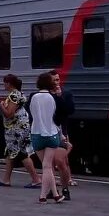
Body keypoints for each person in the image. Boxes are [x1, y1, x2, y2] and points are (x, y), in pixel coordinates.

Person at [0, 74, 42, 188]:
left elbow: (9, 114)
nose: (3, 85)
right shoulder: (19, 94)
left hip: (15, 129)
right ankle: (6, 179)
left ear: (9, 83)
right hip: (20, 127)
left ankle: (36, 179)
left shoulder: (13, 96)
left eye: (4, 83)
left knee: (22, 154)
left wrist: (1, 106)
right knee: (10, 152)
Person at [29, 73, 65, 203]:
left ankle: (48, 195)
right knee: (48, 166)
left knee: (46, 166)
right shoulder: (52, 98)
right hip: (51, 133)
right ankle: (51, 195)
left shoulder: (34, 97)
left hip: (36, 134)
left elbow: (31, 114)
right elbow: (58, 116)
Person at [50, 71, 77, 201]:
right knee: (48, 163)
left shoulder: (66, 93)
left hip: (61, 130)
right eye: (54, 80)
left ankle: (66, 188)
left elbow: (70, 110)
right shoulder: (44, 94)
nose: (57, 82)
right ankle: (51, 189)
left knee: (61, 161)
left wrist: (60, 97)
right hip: (47, 131)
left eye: (57, 79)